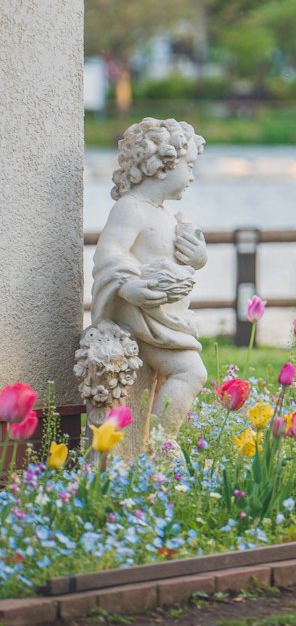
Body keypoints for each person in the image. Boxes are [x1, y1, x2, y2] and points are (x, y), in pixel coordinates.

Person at [91, 118, 209, 437]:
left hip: (168, 318)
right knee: (190, 371)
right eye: (189, 166)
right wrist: (130, 287)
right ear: (162, 165)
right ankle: (160, 444)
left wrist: (198, 257)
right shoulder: (131, 209)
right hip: (144, 320)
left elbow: (183, 256)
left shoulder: (168, 214)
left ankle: (151, 442)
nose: (192, 176)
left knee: (169, 378)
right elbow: (110, 254)